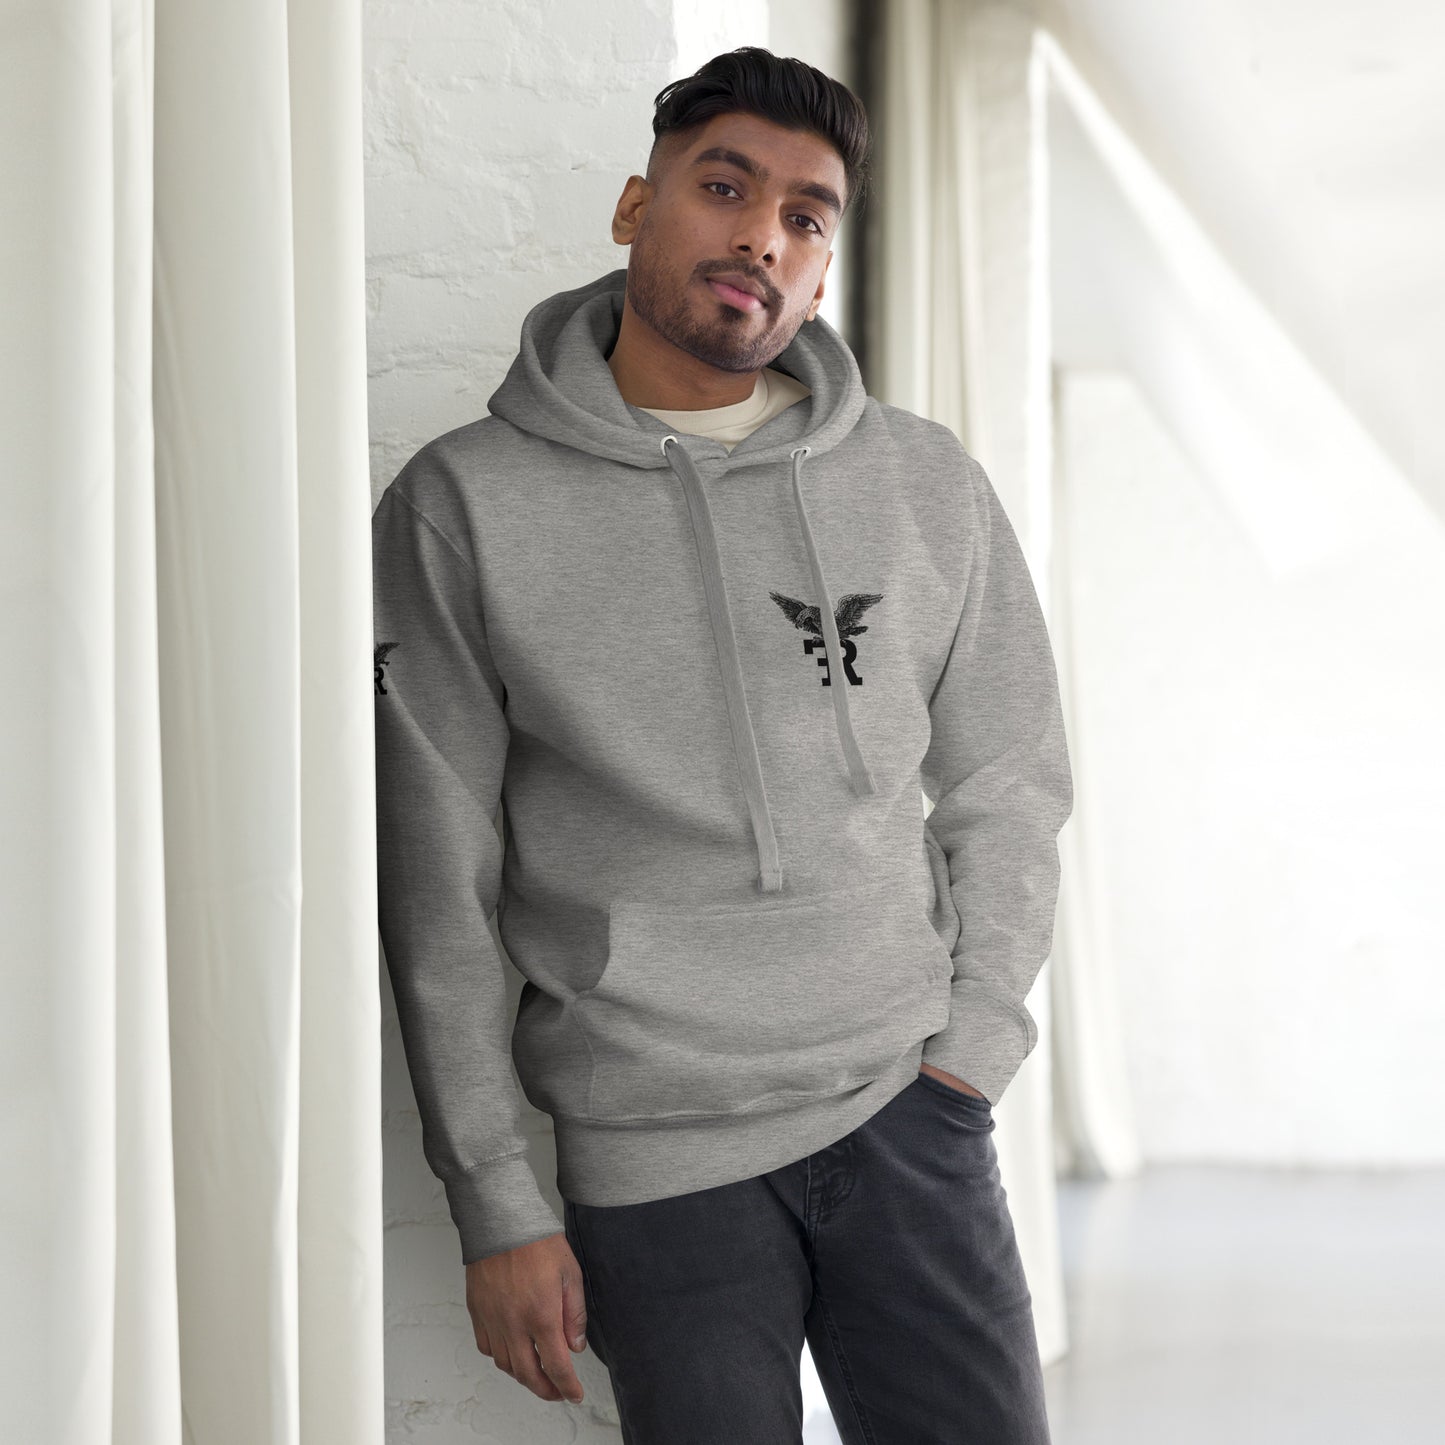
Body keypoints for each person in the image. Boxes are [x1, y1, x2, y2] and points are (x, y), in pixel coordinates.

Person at [372, 45, 1073, 1444]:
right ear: (637, 205)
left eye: (805, 216)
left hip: (907, 1110)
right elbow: (435, 875)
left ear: (821, 272)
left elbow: (1009, 778)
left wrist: (972, 1052)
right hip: (652, 1156)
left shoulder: (920, 482)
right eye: (724, 186)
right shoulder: (465, 506)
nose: (761, 234)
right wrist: (494, 1198)